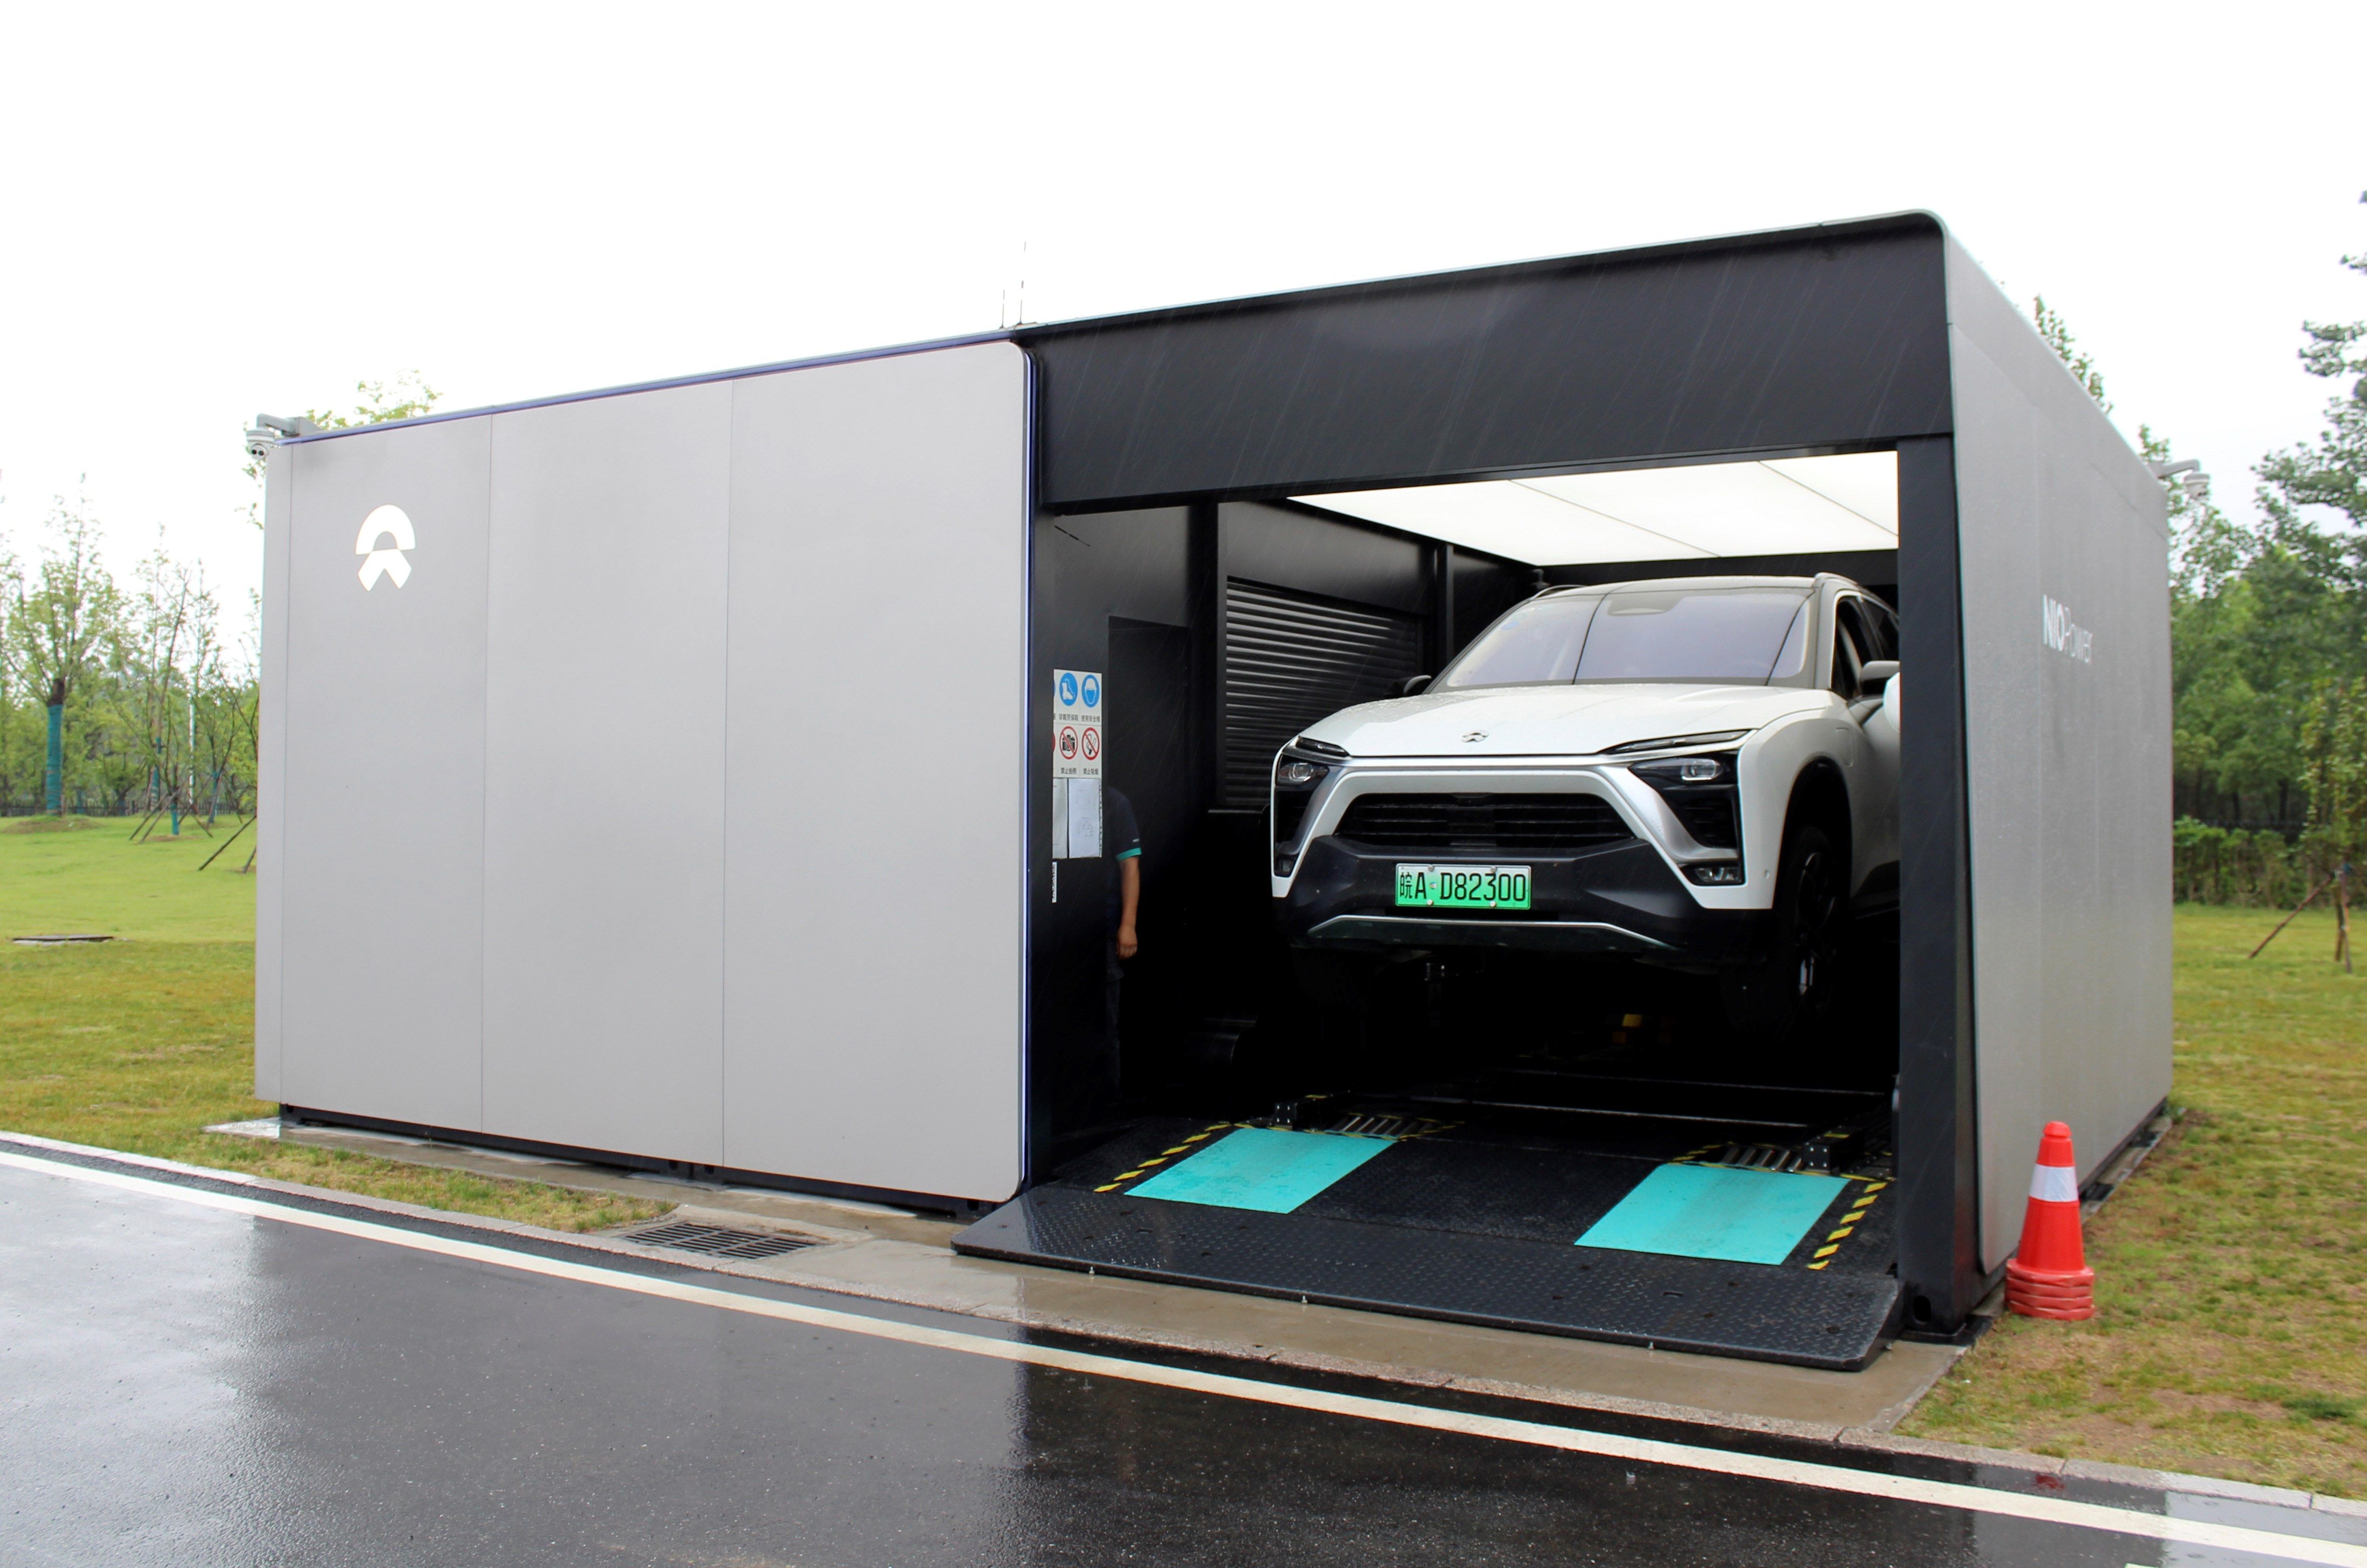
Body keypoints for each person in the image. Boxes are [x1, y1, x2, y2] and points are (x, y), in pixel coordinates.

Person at [1105, 787, 1142, 1077]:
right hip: (1061, 931)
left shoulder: (1114, 801)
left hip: (1104, 930)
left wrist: (1128, 925)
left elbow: (1130, 866)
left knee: (1107, 1024)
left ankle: (1110, 1095)